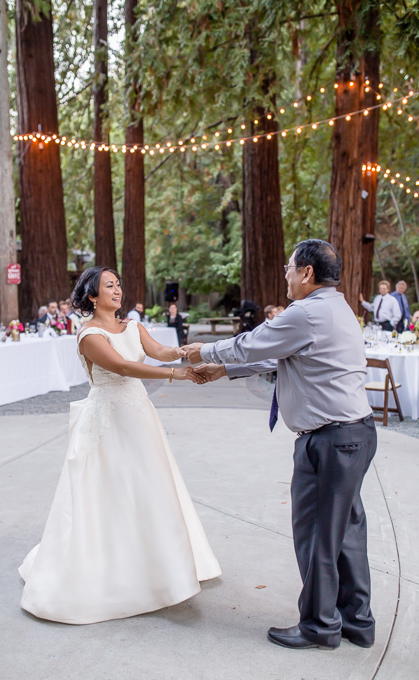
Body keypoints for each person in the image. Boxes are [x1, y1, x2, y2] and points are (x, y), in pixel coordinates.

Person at [186, 239, 377, 651]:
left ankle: (320, 626)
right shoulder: (337, 308)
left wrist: (201, 350)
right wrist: (223, 371)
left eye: (288, 267)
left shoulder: (306, 312)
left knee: (316, 536)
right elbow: (280, 357)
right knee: (345, 533)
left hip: (329, 441)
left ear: (306, 273)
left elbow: (252, 343)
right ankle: (356, 621)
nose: (285, 274)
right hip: (355, 434)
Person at [19, 266, 220, 624]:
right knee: (112, 489)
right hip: (109, 416)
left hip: (140, 414)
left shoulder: (132, 326)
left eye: (118, 284)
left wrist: (187, 352)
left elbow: (157, 350)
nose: (116, 290)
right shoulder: (88, 335)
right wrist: (180, 374)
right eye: (108, 286)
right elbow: (123, 367)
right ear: (92, 296)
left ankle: (164, 567)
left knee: (151, 484)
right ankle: (116, 574)